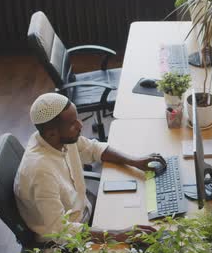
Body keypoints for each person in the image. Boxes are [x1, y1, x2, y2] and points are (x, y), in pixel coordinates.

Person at [14, 93, 164, 244]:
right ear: (52, 133)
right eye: (73, 124)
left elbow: (93, 149)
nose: (80, 126)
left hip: (86, 214)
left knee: (141, 213)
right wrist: (121, 235)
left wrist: (135, 161)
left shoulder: (56, 138)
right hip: (65, 244)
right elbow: (60, 230)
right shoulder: (40, 172)